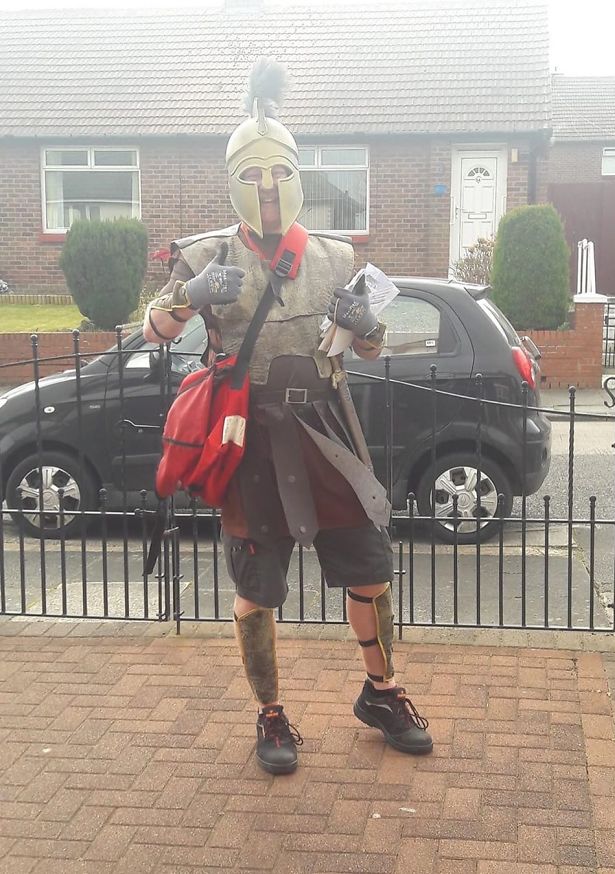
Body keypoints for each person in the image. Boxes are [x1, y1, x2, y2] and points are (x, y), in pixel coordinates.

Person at [143, 59, 431, 775]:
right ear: (236, 180)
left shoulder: (335, 257)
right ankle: (270, 713)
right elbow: (151, 330)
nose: (268, 191)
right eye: (254, 177)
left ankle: (382, 692)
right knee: (256, 585)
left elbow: (365, 345)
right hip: (249, 440)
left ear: (295, 175)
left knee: (368, 571)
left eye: (279, 175)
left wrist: (366, 328)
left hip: (329, 434)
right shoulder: (204, 254)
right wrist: (191, 294)